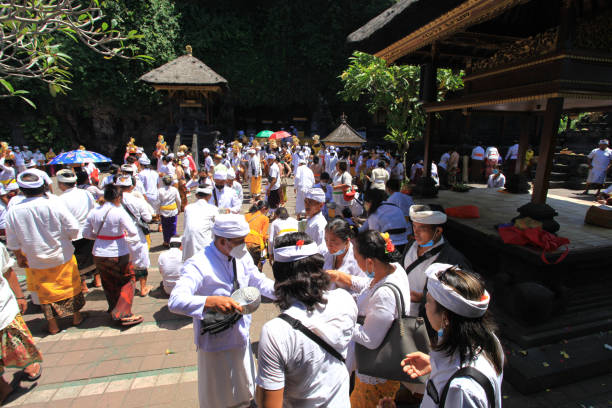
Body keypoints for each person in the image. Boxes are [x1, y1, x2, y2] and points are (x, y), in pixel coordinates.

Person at [168, 214, 276, 408]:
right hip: (215, 344)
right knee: (218, 398)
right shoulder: (198, 264)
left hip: (240, 337)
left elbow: (258, 281)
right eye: (239, 242)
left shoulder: (240, 257)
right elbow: (176, 301)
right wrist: (209, 301)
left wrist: (286, 292)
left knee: (245, 392)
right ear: (222, 241)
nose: (244, 245)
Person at [255, 233, 357, 407]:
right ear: (319, 267)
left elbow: (268, 402)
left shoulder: (275, 332)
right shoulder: (345, 301)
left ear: (279, 275)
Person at [327, 231, 411, 407]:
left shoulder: (385, 295)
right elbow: (369, 284)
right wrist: (343, 277)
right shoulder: (393, 268)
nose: (355, 262)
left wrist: (342, 320)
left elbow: (369, 339)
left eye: (356, 258)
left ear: (370, 262)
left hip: (376, 373)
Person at [401, 263, 504, 408]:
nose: (425, 306)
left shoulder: (461, 390)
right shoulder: (488, 340)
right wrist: (435, 365)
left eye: (429, 302)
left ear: (446, 318)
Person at [6, 171, 85, 334]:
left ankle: (52, 325)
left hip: (35, 258)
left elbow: (12, 241)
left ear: (22, 189)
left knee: (45, 292)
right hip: (61, 253)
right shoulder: (54, 203)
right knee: (70, 285)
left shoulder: (14, 211)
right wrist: (67, 238)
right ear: (42, 187)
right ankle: (76, 316)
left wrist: (20, 256)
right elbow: (74, 228)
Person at [83, 184, 143, 326]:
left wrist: (101, 237)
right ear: (118, 197)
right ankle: (123, 312)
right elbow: (133, 231)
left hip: (99, 252)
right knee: (127, 280)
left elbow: (86, 233)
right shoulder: (119, 212)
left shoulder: (94, 212)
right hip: (118, 251)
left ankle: (113, 308)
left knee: (108, 281)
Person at [403, 205, 471, 317]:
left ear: (438, 231)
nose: (416, 232)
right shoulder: (411, 245)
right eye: (414, 226)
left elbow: (458, 297)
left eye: (422, 228)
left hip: (424, 319)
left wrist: (423, 298)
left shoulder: (451, 260)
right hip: (402, 309)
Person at [0, 242, 43, 403]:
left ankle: (29, 365)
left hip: (4, 309)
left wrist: (19, 296)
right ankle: (3, 385)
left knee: (18, 342)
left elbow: (7, 271)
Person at [56, 169, 96, 293]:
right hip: (90, 230)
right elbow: (94, 209)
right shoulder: (86, 193)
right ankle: (97, 280)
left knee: (78, 261)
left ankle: (83, 285)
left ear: (61, 184)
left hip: (74, 234)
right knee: (92, 256)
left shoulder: (60, 199)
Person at [117, 175, 153, 297]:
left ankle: (127, 287)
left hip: (119, 236)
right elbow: (148, 218)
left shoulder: (113, 203)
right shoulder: (137, 201)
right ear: (132, 187)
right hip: (136, 235)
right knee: (141, 262)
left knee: (125, 263)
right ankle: (143, 288)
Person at [359, 188, 410, 254]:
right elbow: (364, 226)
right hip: (404, 243)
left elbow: (373, 236)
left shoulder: (375, 213)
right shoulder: (394, 207)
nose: (364, 204)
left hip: (389, 247)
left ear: (370, 202)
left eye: (365, 202)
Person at [182, 186, 217, 261]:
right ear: (210, 196)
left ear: (196, 195)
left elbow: (185, 227)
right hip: (204, 243)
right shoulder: (213, 209)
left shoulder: (188, 208)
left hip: (188, 243)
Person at [245, 201, 270, 271]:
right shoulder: (265, 218)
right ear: (264, 208)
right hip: (255, 244)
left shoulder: (246, 215)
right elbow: (264, 235)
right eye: (266, 211)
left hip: (243, 242)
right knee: (256, 267)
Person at [158, 175, 181, 247]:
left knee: (165, 227)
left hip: (164, 210)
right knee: (173, 226)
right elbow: (178, 200)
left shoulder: (159, 190)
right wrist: (179, 208)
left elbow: (157, 202)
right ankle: (174, 242)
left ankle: (166, 241)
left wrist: (157, 211)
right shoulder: (174, 190)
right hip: (173, 210)